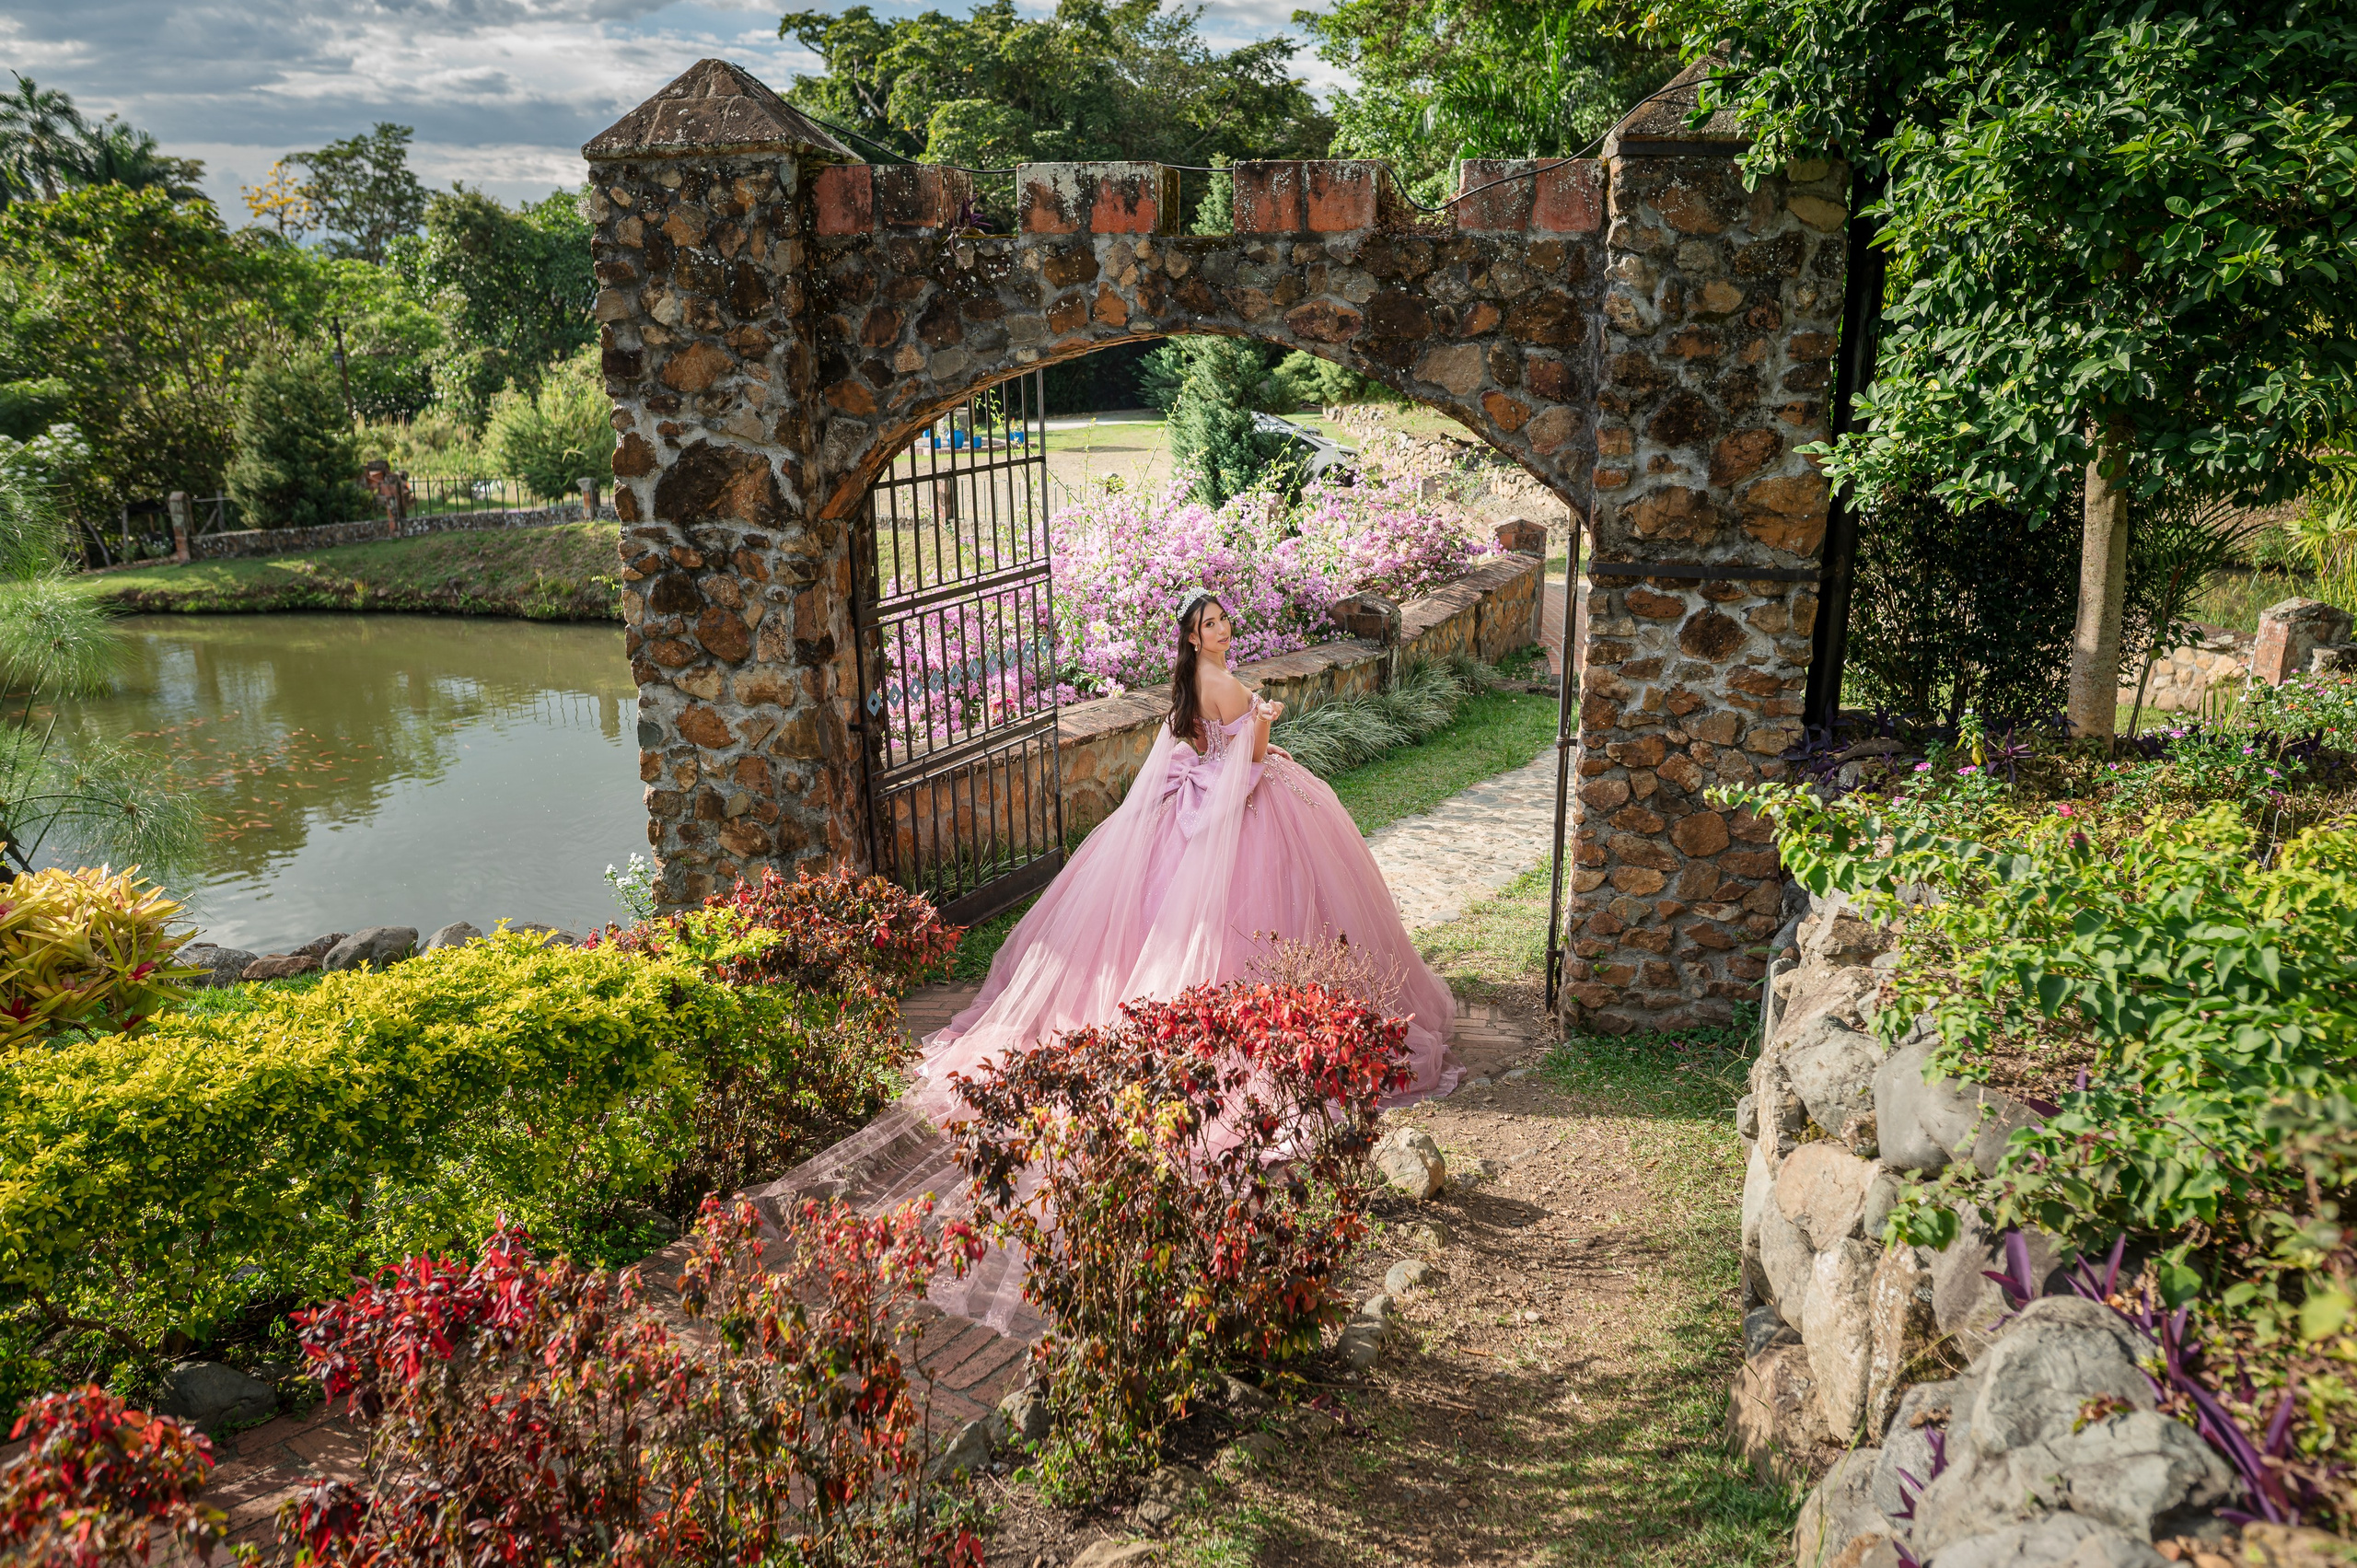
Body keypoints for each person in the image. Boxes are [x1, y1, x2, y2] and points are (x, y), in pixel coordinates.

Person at [752, 588, 1459, 1331]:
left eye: (1221, 620)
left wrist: (1255, 734)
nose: (1221, 630)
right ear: (1191, 639)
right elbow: (1243, 761)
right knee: (1262, 925)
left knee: (1197, 935)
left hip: (1209, 811)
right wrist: (1265, 725)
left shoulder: (1189, 690)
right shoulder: (1224, 685)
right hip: (1246, 815)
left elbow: (1196, 754)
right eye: (1209, 624)